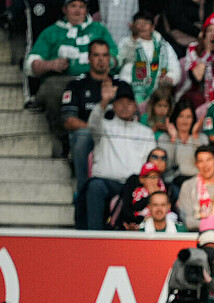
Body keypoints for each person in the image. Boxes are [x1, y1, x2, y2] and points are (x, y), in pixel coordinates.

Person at [25, 0, 117, 136]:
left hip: (94, 78)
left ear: (87, 10)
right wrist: (50, 64)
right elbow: (31, 64)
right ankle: (62, 141)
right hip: (61, 81)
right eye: (73, 6)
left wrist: (103, 63)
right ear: (64, 9)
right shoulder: (51, 32)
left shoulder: (99, 29)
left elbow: (116, 57)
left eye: (81, 6)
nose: (77, 10)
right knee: (52, 90)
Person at [79, 81, 156, 230]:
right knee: (95, 186)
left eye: (129, 102)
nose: (125, 106)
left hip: (135, 185)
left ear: (135, 106)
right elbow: (93, 123)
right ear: (113, 106)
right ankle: (93, 236)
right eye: (120, 102)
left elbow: (150, 163)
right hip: (107, 182)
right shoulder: (104, 127)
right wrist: (104, 101)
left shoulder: (145, 132)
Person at [61, 40, 122, 194]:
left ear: (110, 59)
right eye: (96, 55)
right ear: (89, 58)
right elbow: (68, 120)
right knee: (83, 134)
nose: (101, 59)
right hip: (88, 136)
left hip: (116, 137)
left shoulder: (121, 85)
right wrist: (95, 130)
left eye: (104, 55)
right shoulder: (76, 85)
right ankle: (83, 189)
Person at [117, 11, 181, 105]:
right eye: (138, 23)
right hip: (132, 94)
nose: (142, 26)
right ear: (133, 26)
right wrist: (133, 40)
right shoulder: (127, 43)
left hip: (158, 93)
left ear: (153, 27)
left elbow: (175, 67)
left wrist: (170, 78)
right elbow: (119, 61)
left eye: (146, 23)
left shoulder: (164, 46)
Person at [161, 100, 210, 189]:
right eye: (181, 116)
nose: (185, 120)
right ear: (175, 118)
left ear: (193, 119)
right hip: (173, 183)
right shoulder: (164, 138)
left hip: (197, 182)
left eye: (188, 117)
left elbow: (203, 164)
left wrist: (195, 136)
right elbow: (167, 165)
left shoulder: (202, 138)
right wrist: (173, 139)